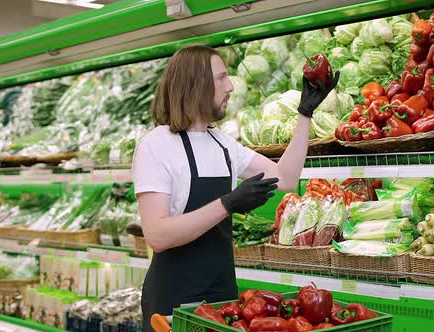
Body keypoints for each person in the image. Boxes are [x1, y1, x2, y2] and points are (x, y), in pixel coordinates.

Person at [132, 45, 339, 331]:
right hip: (172, 300)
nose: (229, 86)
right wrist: (227, 204)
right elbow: (158, 235)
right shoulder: (156, 146)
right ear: (195, 84)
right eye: (220, 78)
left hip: (222, 298)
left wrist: (305, 113)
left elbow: (285, 178)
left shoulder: (222, 144)